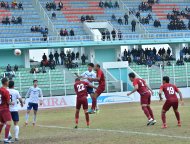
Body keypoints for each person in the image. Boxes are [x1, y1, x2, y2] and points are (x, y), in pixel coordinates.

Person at [0, 78, 13, 143]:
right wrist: (12, 103)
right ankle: (6, 139)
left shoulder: (0, 89)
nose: (8, 83)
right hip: (5, 109)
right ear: (5, 82)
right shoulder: (6, 91)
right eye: (8, 81)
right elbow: (8, 102)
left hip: (0, 109)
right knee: (8, 123)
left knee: (2, 124)